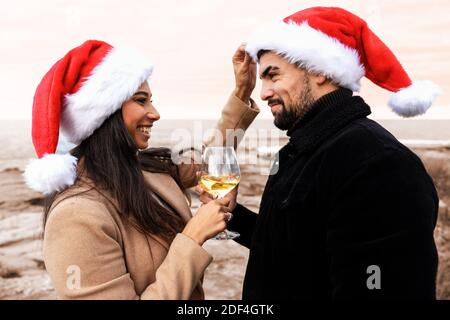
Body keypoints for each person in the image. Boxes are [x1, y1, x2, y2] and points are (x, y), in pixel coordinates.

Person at [199, 7, 441, 300]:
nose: (263, 93)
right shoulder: (303, 149)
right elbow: (296, 246)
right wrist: (232, 216)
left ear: (322, 70)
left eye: (273, 75)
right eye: (261, 80)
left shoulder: (378, 164)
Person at [24, 40, 259, 299]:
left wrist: (242, 92)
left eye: (151, 100)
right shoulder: (74, 216)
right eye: (141, 100)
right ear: (105, 112)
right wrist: (193, 237)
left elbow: (211, 157)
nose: (155, 113)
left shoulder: (147, 167)